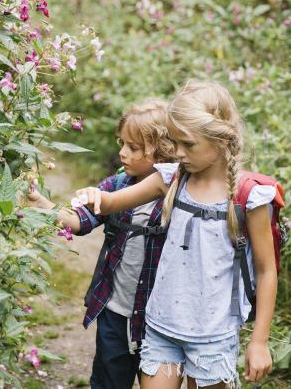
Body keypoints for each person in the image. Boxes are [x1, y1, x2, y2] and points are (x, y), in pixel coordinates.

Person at [73, 80, 277, 389]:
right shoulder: (172, 179)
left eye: (188, 143)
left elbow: (266, 270)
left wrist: (259, 341)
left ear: (221, 139)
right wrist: (92, 196)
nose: (177, 152)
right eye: (175, 141)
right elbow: (112, 201)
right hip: (161, 329)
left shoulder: (249, 198)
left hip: (213, 338)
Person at [23, 98, 177, 389]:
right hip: (115, 312)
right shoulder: (117, 186)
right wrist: (42, 203)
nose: (122, 152)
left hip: (159, 320)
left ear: (162, 151)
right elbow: (79, 221)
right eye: (122, 143)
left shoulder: (177, 197)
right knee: (108, 382)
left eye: (133, 147)